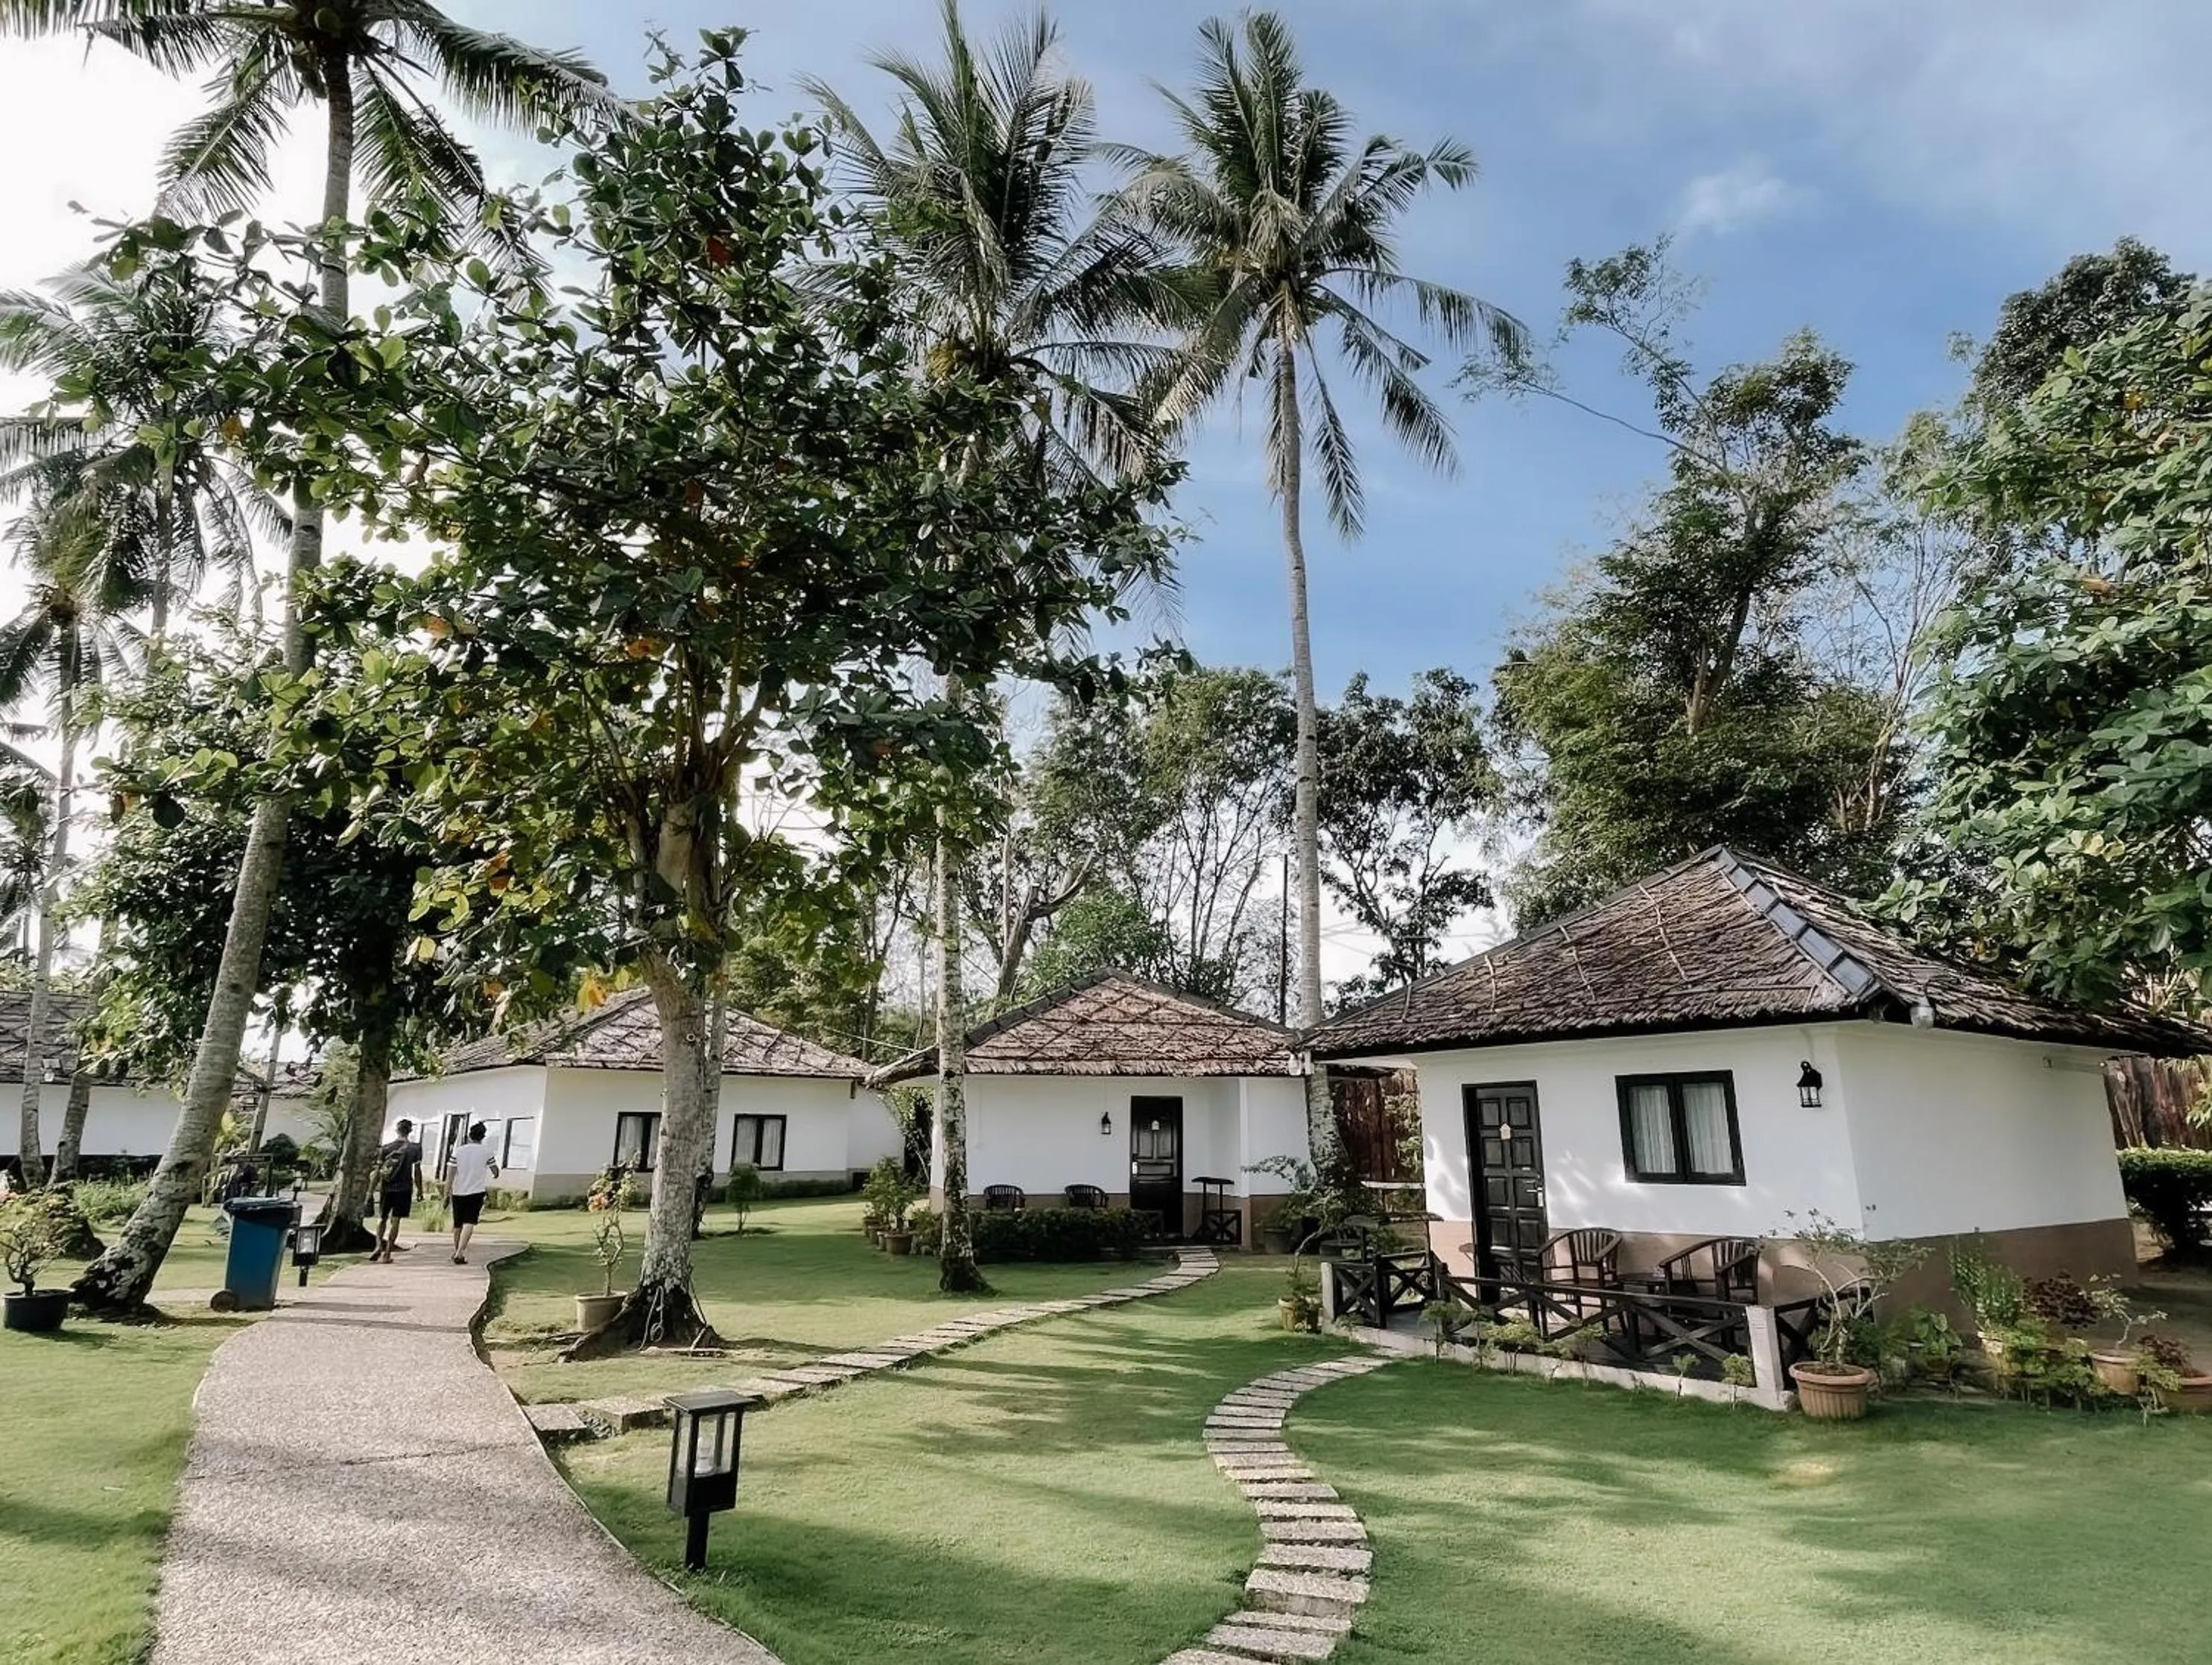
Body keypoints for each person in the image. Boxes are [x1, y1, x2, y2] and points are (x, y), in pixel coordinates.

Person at [443, 1121, 500, 1265]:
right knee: (470, 1221)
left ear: (469, 1135)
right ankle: (460, 1252)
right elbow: (495, 1170)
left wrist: (446, 1194)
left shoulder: (458, 1151)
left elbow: (450, 1174)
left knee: (458, 1224)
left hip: (458, 1191)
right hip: (476, 1192)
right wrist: (495, 1173)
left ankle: (457, 1252)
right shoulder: (487, 1152)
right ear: (483, 1136)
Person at [370, 1118, 425, 1264]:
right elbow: (417, 1172)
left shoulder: (386, 1148)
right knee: (396, 1220)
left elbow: (377, 1172)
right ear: (410, 1131)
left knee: (382, 1218)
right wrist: (420, 1190)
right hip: (404, 1188)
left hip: (386, 1188)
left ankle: (377, 1246)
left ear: (397, 1130)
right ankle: (387, 1252)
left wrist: (370, 1190)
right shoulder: (415, 1149)